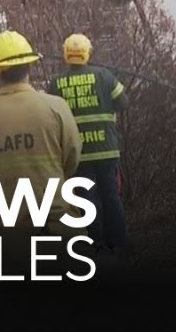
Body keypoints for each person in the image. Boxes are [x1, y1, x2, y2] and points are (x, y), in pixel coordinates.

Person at [0, 31, 83, 240]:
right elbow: (72, 159)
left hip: (9, 235)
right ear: (30, 66)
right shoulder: (56, 108)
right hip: (59, 228)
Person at [46, 33, 131, 261]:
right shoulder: (103, 75)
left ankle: (96, 244)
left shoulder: (56, 83)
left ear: (66, 54)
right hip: (107, 149)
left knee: (86, 199)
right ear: (88, 52)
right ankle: (119, 242)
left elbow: (50, 114)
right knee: (111, 196)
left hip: (78, 154)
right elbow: (124, 102)